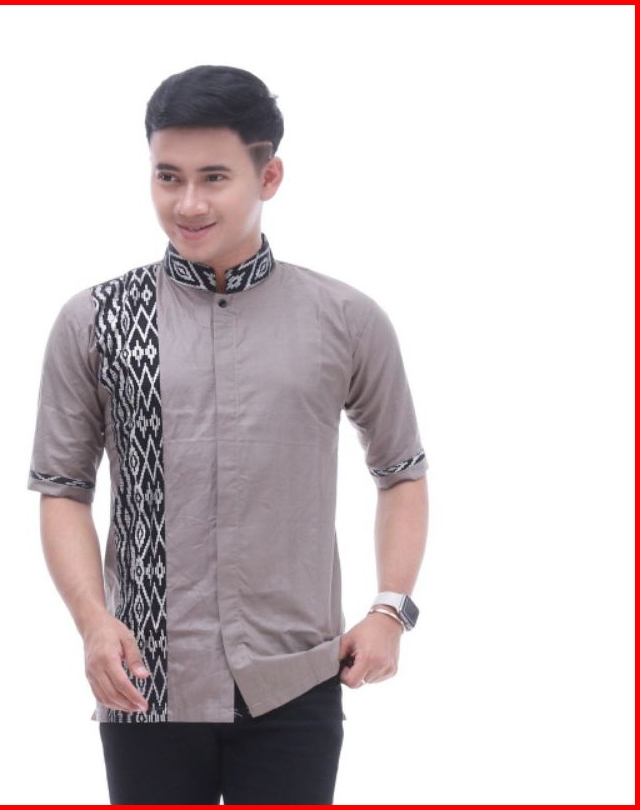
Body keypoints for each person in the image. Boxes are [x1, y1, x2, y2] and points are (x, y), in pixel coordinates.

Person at [28, 64, 428, 805]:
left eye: (214, 177)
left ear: (268, 176)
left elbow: (401, 470)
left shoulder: (346, 319)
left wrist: (389, 610)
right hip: (144, 676)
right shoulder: (96, 320)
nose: (188, 203)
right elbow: (61, 489)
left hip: (295, 679)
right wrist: (93, 622)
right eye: (168, 177)